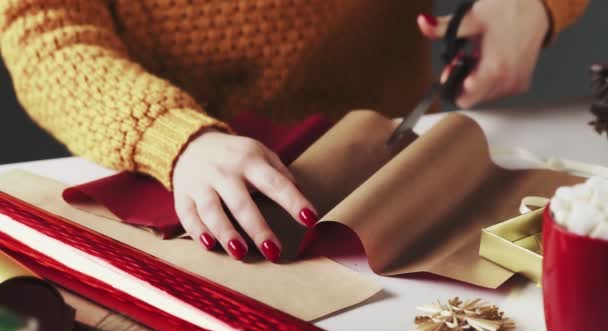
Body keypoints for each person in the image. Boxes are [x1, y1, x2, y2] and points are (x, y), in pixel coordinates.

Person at [0, 0, 588, 262]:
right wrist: (171, 136)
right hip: (176, 166)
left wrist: (532, 6)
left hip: (386, 154)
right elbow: (43, 27)